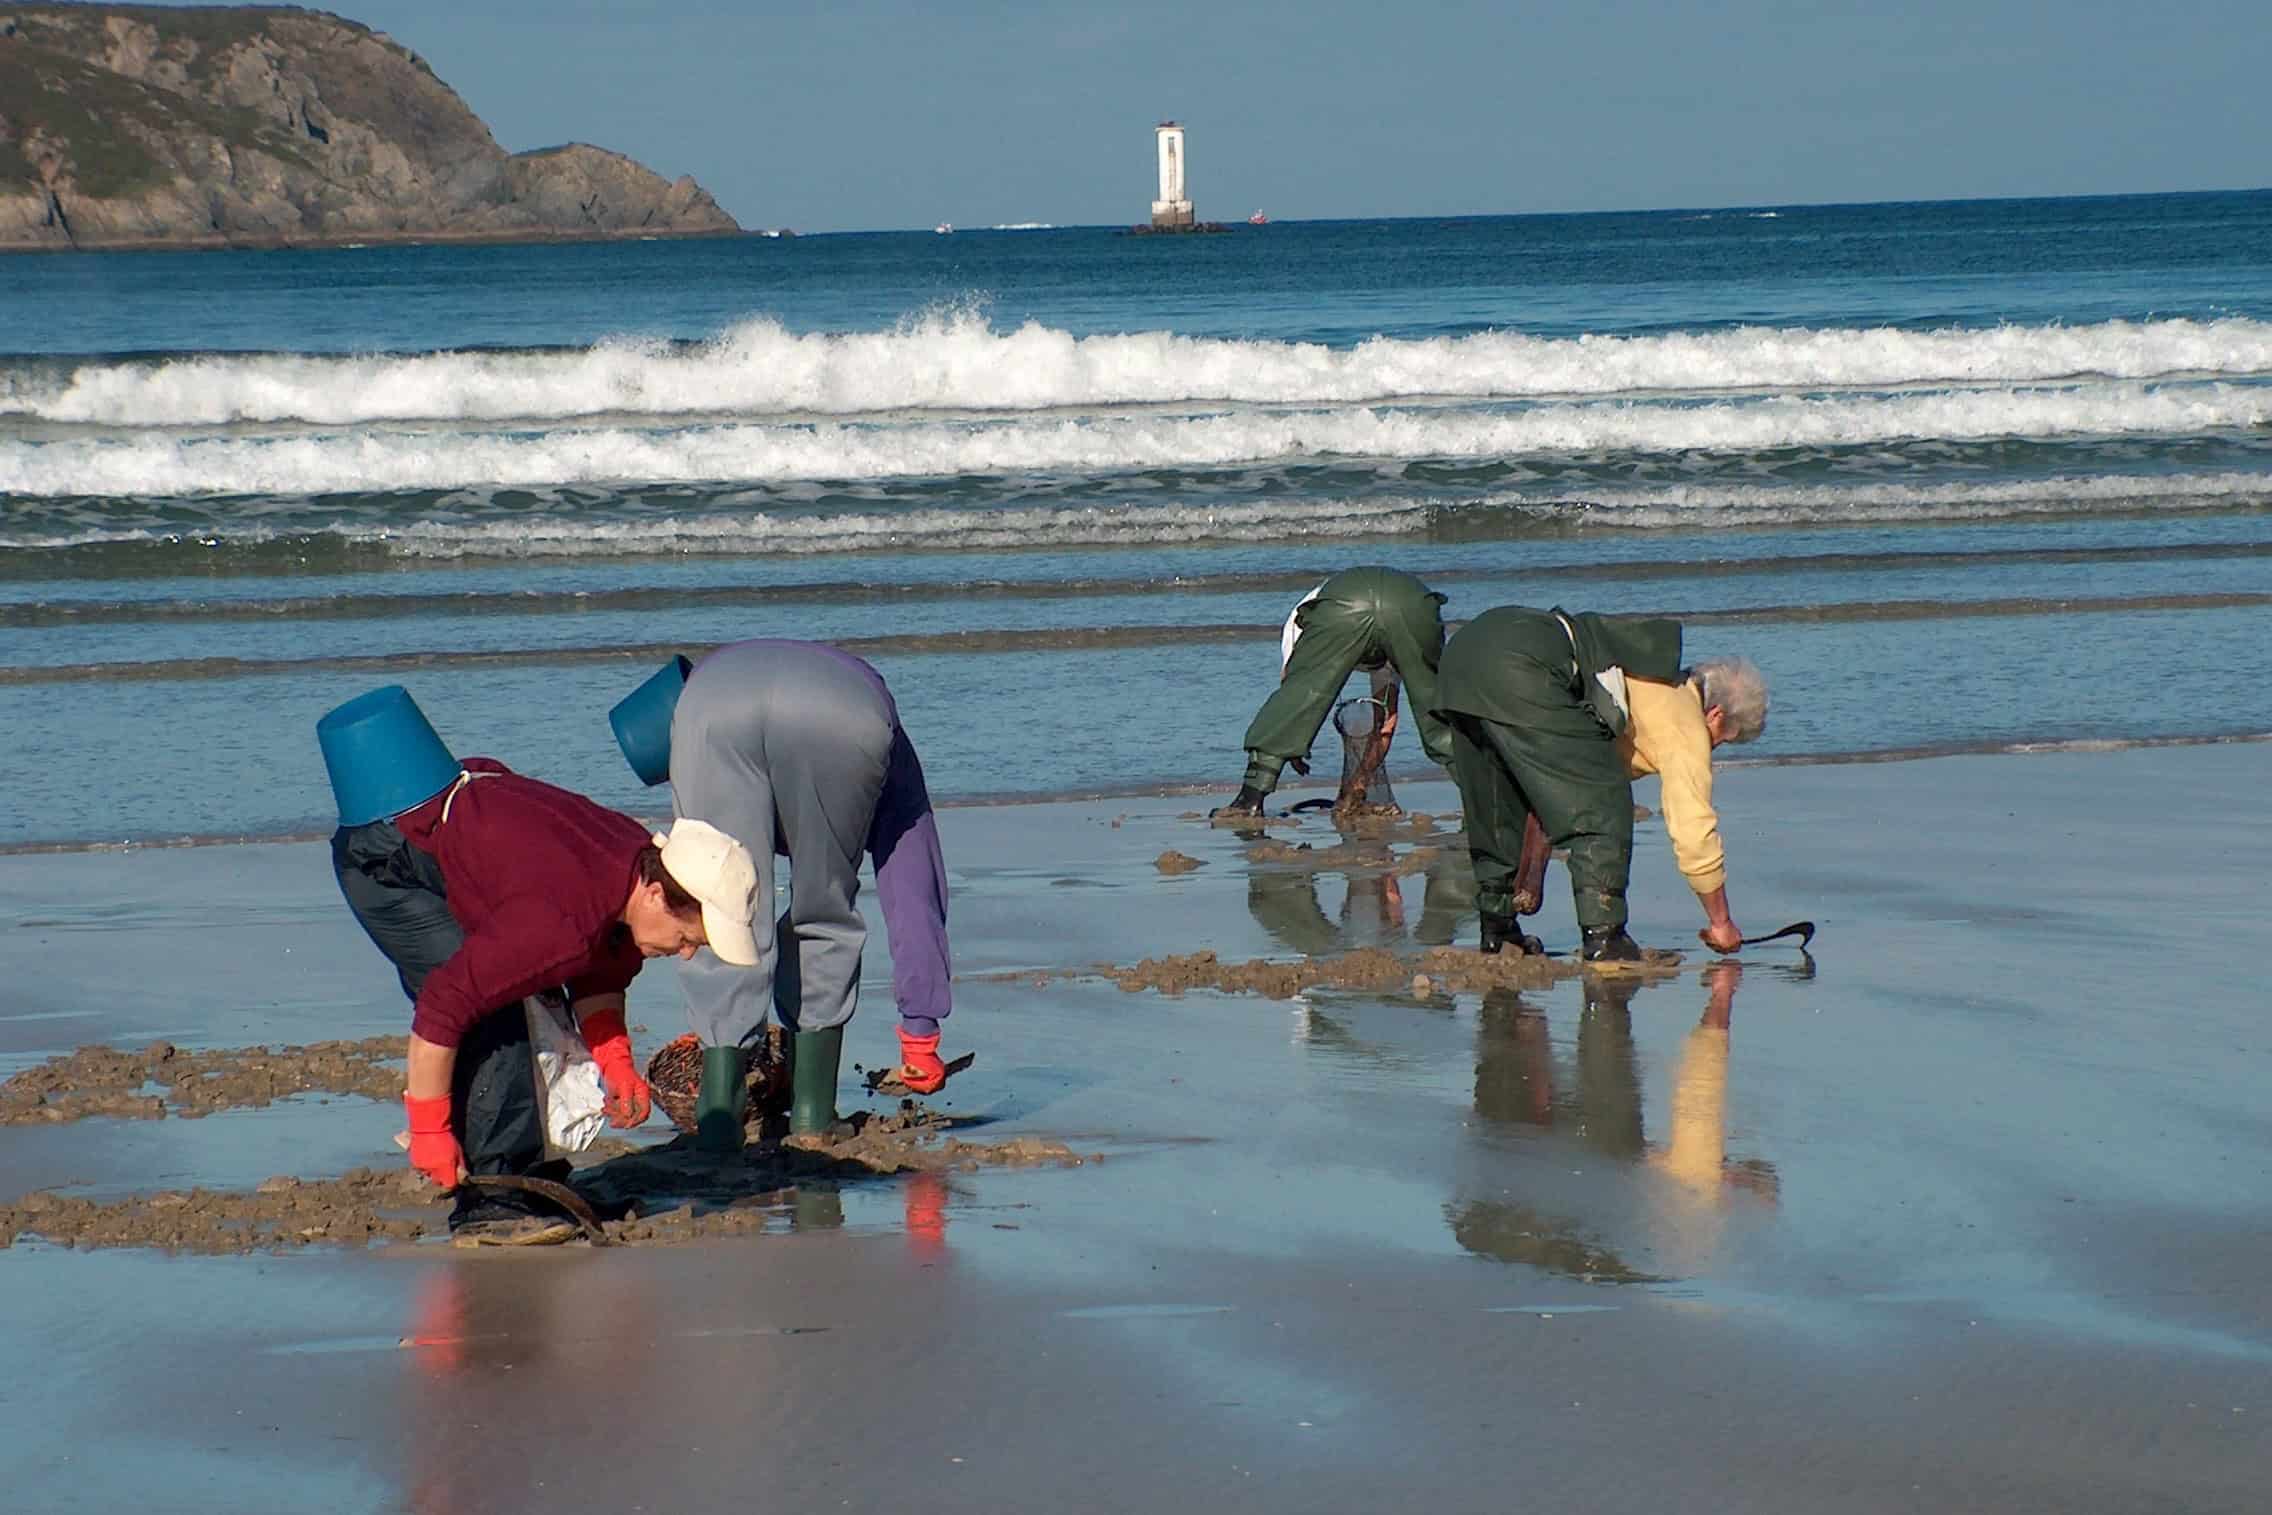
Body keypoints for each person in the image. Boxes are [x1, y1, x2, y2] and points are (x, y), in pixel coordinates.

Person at [318, 685, 760, 1244]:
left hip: (477, 834)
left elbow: (602, 966)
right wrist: (428, 1127)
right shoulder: (562, 920)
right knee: (496, 1016)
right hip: (388, 858)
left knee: (534, 997)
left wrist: (615, 1057)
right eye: (688, 935)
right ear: (655, 894)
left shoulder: (635, 865)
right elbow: (443, 1007)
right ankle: (493, 1200)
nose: (688, 951)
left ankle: (528, 1177)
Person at [608, 640, 953, 1152]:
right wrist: (919, 1031)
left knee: (712, 903)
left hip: (711, 705)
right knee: (825, 908)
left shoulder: (695, 701)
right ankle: (813, 1115)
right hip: (845, 713)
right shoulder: (888, 740)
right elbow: (912, 877)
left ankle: (720, 1119)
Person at [1431, 605, 1768, 961]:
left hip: (1467, 650)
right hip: (1523, 665)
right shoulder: (1685, 719)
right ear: (1715, 714)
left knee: (1499, 799)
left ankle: (1498, 930)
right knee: (1605, 803)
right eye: (1721, 739)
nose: (1712, 748)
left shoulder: (1642, 673)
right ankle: (1605, 937)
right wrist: (1721, 921)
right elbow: (1692, 830)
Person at [1214, 566, 1453, 815]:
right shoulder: (1390, 652)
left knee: (1298, 696)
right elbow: (1386, 723)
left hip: (1344, 606)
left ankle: (1249, 800)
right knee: (1437, 710)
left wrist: (1293, 742)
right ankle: (1485, 801)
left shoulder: (1302, 619)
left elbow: (1293, 697)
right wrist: (1358, 785)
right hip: (1413, 604)